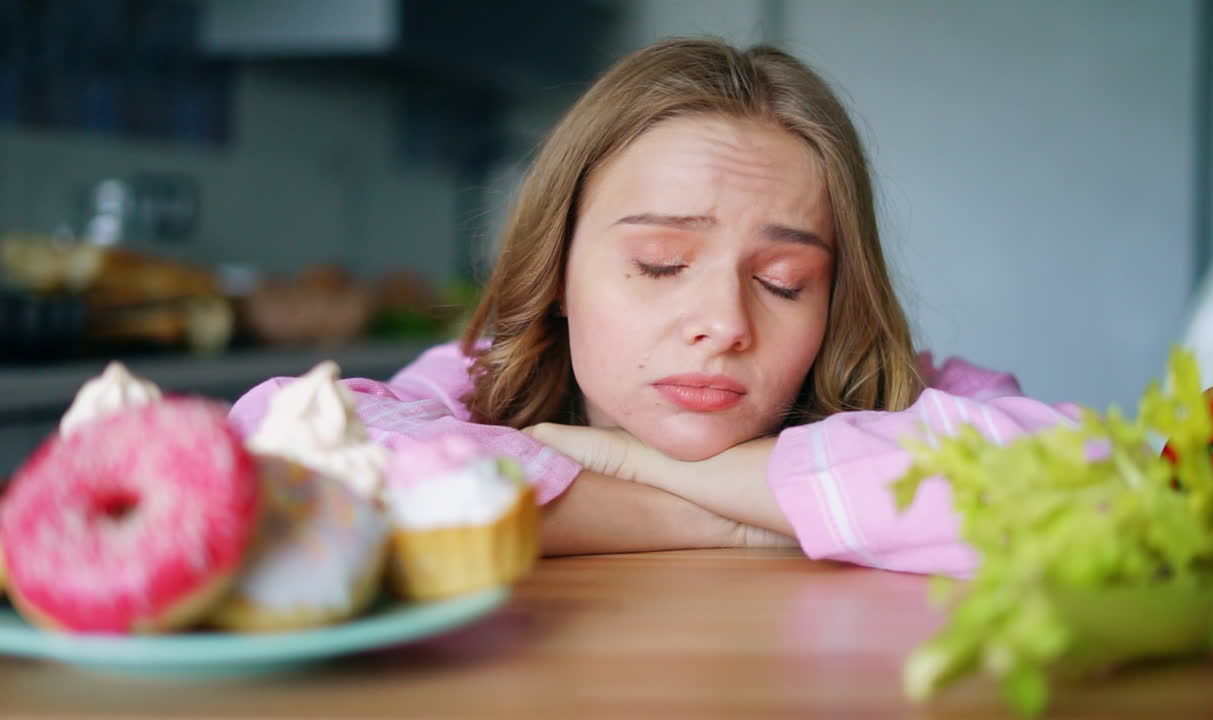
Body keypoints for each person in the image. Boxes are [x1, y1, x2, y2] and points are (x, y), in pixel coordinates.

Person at [229, 37, 1076, 577]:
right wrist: (738, 525)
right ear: (558, 273)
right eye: (661, 263)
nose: (725, 324)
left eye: (784, 280)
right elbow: (292, 457)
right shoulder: (477, 377)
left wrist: (640, 464)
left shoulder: (907, 390)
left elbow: (1086, 485)